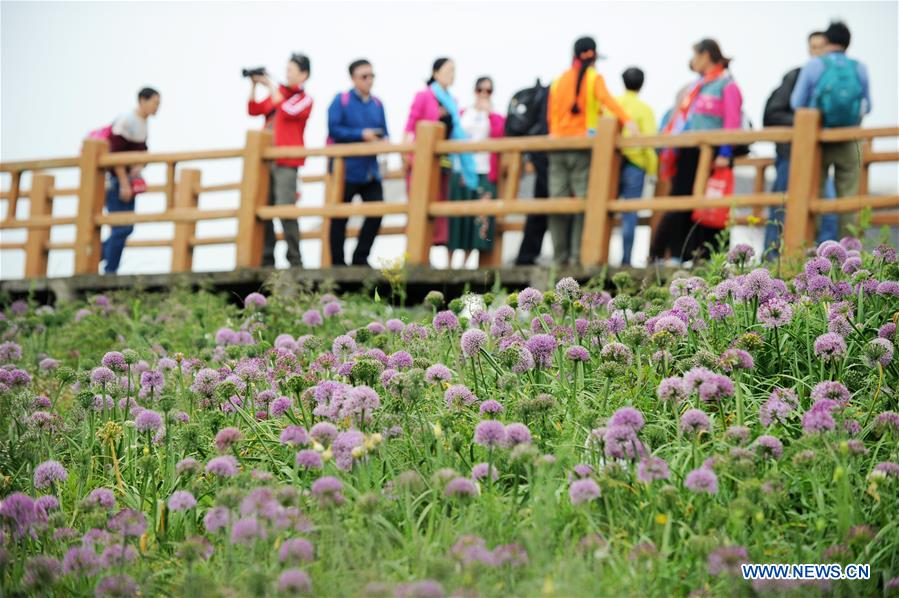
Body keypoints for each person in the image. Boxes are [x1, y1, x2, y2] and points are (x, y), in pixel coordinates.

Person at [650, 39, 743, 264]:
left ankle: (703, 257)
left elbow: (732, 122)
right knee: (681, 202)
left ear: (706, 55)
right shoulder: (696, 87)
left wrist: (725, 152)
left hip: (712, 155)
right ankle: (673, 254)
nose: (692, 61)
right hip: (687, 152)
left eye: (695, 55)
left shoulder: (727, 85)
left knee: (706, 206)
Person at [547, 36, 637, 266]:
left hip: (557, 148)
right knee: (584, 201)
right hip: (582, 148)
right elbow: (609, 102)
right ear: (593, 56)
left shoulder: (558, 81)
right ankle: (578, 255)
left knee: (557, 202)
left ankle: (558, 257)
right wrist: (628, 121)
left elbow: (551, 117)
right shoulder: (594, 78)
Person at [791, 21, 871, 236]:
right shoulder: (859, 68)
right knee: (848, 197)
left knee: (814, 194)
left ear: (826, 41)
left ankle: (810, 251)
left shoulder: (815, 65)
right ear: (848, 43)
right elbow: (868, 106)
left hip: (819, 140)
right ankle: (851, 252)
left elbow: (797, 103)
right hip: (849, 139)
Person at [762, 31, 838, 258]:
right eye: (814, 47)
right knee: (781, 207)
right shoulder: (795, 77)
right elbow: (772, 114)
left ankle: (824, 264)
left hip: (821, 158)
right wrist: (808, 123)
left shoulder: (834, 80)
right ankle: (771, 260)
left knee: (828, 211)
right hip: (790, 155)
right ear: (809, 49)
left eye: (822, 46)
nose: (818, 51)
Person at [404, 58, 478, 267]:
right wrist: (408, 156)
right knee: (420, 208)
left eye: (454, 70)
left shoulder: (453, 101)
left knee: (438, 211)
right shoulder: (424, 96)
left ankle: (430, 259)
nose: (452, 74)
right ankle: (416, 259)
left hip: (445, 162)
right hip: (423, 160)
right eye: (448, 70)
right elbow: (411, 125)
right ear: (435, 73)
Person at [248, 53, 313, 268]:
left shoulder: (304, 99)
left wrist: (269, 85)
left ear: (304, 74)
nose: (287, 74)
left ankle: (295, 259)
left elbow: (286, 110)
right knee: (264, 209)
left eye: (292, 70)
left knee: (286, 209)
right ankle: (267, 258)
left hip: (287, 161)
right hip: (268, 161)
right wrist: (254, 85)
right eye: (286, 70)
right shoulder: (279, 94)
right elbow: (254, 109)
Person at [327, 59, 389, 267]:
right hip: (346, 169)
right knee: (339, 217)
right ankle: (337, 263)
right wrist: (361, 134)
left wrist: (384, 141)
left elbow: (384, 131)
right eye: (364, 76)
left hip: (370, 170)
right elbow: (334, 129)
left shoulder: (378, 104)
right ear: (353, 78)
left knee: (377, 211)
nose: (369, 80)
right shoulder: (341, 100)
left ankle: (360, 258)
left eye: (372, 76)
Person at [100, 87, 160, 275]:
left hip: (127, 180)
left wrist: (139, 166)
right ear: (142, 100)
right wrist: (124, 182)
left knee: (126, 227)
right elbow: (115, 154)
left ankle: (99, 257)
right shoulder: (127, 120)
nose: (157, 107)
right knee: (121, 227)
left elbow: (140, 152)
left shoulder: (143, 123)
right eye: (155, 103)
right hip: (118, 182)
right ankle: (110, 270)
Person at [448, 77, 505, 268]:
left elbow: (499, 135)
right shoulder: (463, 113)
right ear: (474, 91)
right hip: (462, 171)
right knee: (457, 219)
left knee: (478, 222)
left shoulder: (495, 117)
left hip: (484, 171)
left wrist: (489, 114)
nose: (483, 94)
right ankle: (449, 264)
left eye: (488, 91)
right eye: (480, 89)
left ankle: (465, 264)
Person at [615, 67, 657, 266]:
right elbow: (649, 142)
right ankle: (626, 259)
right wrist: (652, 168)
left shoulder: (613, 104)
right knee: (630, 214)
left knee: (603, 210)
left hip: (612, 164)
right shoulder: (644, 109)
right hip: (635, 164)